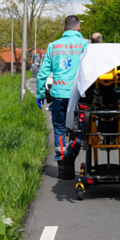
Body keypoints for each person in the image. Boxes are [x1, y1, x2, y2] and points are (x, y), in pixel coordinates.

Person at [36, 15, 88, 178]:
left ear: (64, 29)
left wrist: (40, 93)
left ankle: (62, 165)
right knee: (82, 127)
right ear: (79, 28)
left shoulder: (53, 46)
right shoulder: (87, 45)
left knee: (59, 128)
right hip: (80, 94)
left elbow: (42, 73)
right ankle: (71, 153)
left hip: (59, 93)